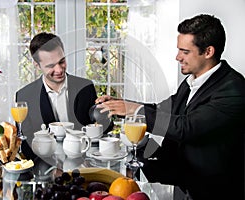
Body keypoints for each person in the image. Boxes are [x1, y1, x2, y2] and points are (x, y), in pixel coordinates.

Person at [96, 14, 245, 199]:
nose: (178, 57)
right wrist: (123, 105)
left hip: (216, 192)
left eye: (185, 51)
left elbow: (186, 127)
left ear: (208, 52)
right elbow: (166, 110)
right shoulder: (193, 80)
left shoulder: (234, 89)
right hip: (186, 185)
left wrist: (135, 111)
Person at [16, 32, 98, 159]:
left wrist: (105, 115)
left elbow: (98, 130)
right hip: (44, 168)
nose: (59, 70)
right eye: (50, 66)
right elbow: (25, 143)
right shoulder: (24, 96)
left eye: (62, 62)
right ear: (37, 65)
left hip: (83, 164)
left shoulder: (86, 88)